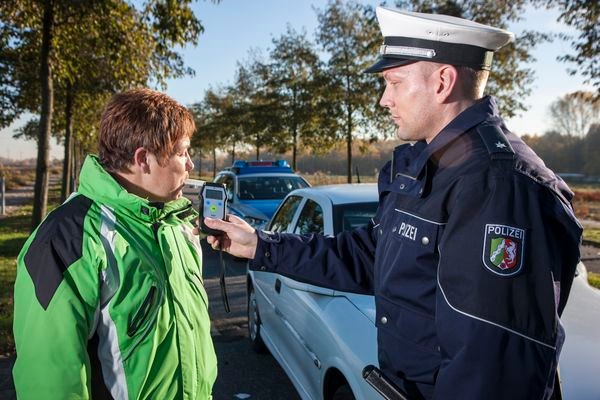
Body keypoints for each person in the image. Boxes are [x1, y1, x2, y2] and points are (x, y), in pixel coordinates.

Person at [204, 7, 582, 400]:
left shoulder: (498, 186)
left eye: (394, 82)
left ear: (442, 82)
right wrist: (260, 245)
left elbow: (493, 371)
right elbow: (371, 256)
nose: (384, 99)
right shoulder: (427, 168)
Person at [13, 88, 217, 399]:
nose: (190, 165)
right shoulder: (65, 241)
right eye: (181, 152)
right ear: (143, 159)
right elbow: (50, 382)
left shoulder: (177, 225)